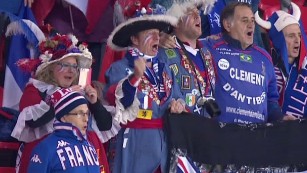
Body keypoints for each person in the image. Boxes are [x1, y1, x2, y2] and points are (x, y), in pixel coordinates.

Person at [11, 33, 112, 173]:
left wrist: (95, 103)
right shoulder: (35, 89)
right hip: (45, 158)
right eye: (65, 65)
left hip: (76, 160)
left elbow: (106, 125)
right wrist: (60, 97)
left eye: (75, 66)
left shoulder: (79, 92)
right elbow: (32, 122)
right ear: (50, 68)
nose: (71, 71)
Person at [104, 5, 186, 173]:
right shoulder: (119, 68)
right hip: (135, 146)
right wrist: (135, 78)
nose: (157, 38)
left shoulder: (165, 68)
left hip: (164, 148)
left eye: (158, 33)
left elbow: (179, 97)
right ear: (134, 39)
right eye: (150, 34)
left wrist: (178, 104)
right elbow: (120, 102)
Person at [203, 2, 287, 124]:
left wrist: (281, 118)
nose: (251, 25)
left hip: (256, 138)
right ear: (227, 25)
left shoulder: (265, 57)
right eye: (244, 20)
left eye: (252, 20)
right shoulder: (209, 48)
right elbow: (183, 44)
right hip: (221, 136)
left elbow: (271, 102)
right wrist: (166, 39)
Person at [158, 0, 218, 118]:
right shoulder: (163, 52)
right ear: (176, 21)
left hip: (206, 129)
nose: (197, 16)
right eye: (190, 12)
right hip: (179, 130)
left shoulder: (207, 52)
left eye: (198, 11)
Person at [27, 88, 101, 173]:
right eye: (80, 114)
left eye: (87, 113)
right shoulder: (45, 148)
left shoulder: (89, 146)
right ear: (64, 117)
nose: (86, 119)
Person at [256, 2, 307, 118]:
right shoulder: (264, 65)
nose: (297, 40)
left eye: (299, 35)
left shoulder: (305, 68)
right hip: (268, 132)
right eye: (291, 36)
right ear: (278, 40)